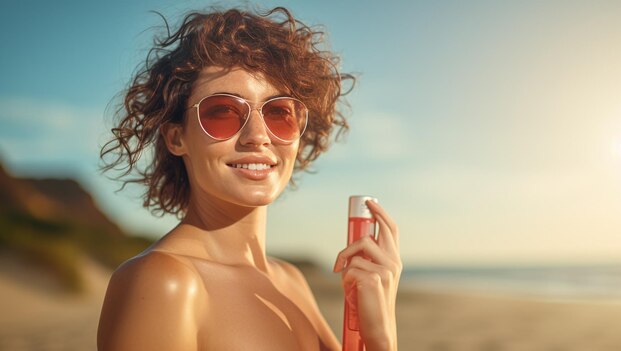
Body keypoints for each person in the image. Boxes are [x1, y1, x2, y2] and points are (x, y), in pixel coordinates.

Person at [97, 6, 402, 351]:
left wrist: (379, 335)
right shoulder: (164, 284)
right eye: (224, 112)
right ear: (176, 137)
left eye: (279, 113)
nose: (258, 136)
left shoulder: (292, 280)